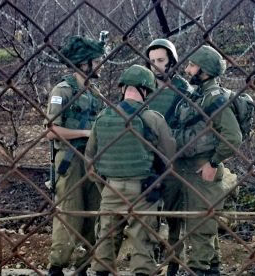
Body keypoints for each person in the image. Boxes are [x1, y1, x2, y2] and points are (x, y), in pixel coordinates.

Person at [87, 64, 176, 276]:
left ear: (123, 88)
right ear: (145, 90)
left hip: (110, 188)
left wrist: (106, 185)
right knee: (142, 239)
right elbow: (169, 154)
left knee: (106, 239)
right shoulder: (152, 118)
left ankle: (100, 272)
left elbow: (90, 159)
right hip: (143, 190)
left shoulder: (103, 117)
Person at [172, 45, 242, 275]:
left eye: (192, 65)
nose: (188, 69)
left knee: (201, 225)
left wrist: (212, 163)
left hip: (203, 167)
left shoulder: (216, 98)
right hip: (187, 166)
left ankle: (199, 269)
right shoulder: (198, 95)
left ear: (205, 71)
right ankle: (211, 267)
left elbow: (232, 137)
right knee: (199, 222)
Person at [45, 35, 106, 276]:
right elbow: (51, 131)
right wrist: (85, 133)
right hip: (70, 162)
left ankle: (86, 263)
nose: (99, 65)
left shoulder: (93, 92)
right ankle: (57, 266)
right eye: (96, 60)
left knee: (96, 213)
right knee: (69, 213)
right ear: (84, 63)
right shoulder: (63, 90)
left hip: (93, 161)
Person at [145, 38, 193, 275]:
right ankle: (148, 260)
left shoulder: (184, 89)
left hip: (175, 160)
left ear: (172, 61)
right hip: (148, 160)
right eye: (152, 61)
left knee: (175, 215)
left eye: (161, 60)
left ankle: (174, 263)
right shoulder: (144, 86)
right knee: (148, 213)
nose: (156, 66)